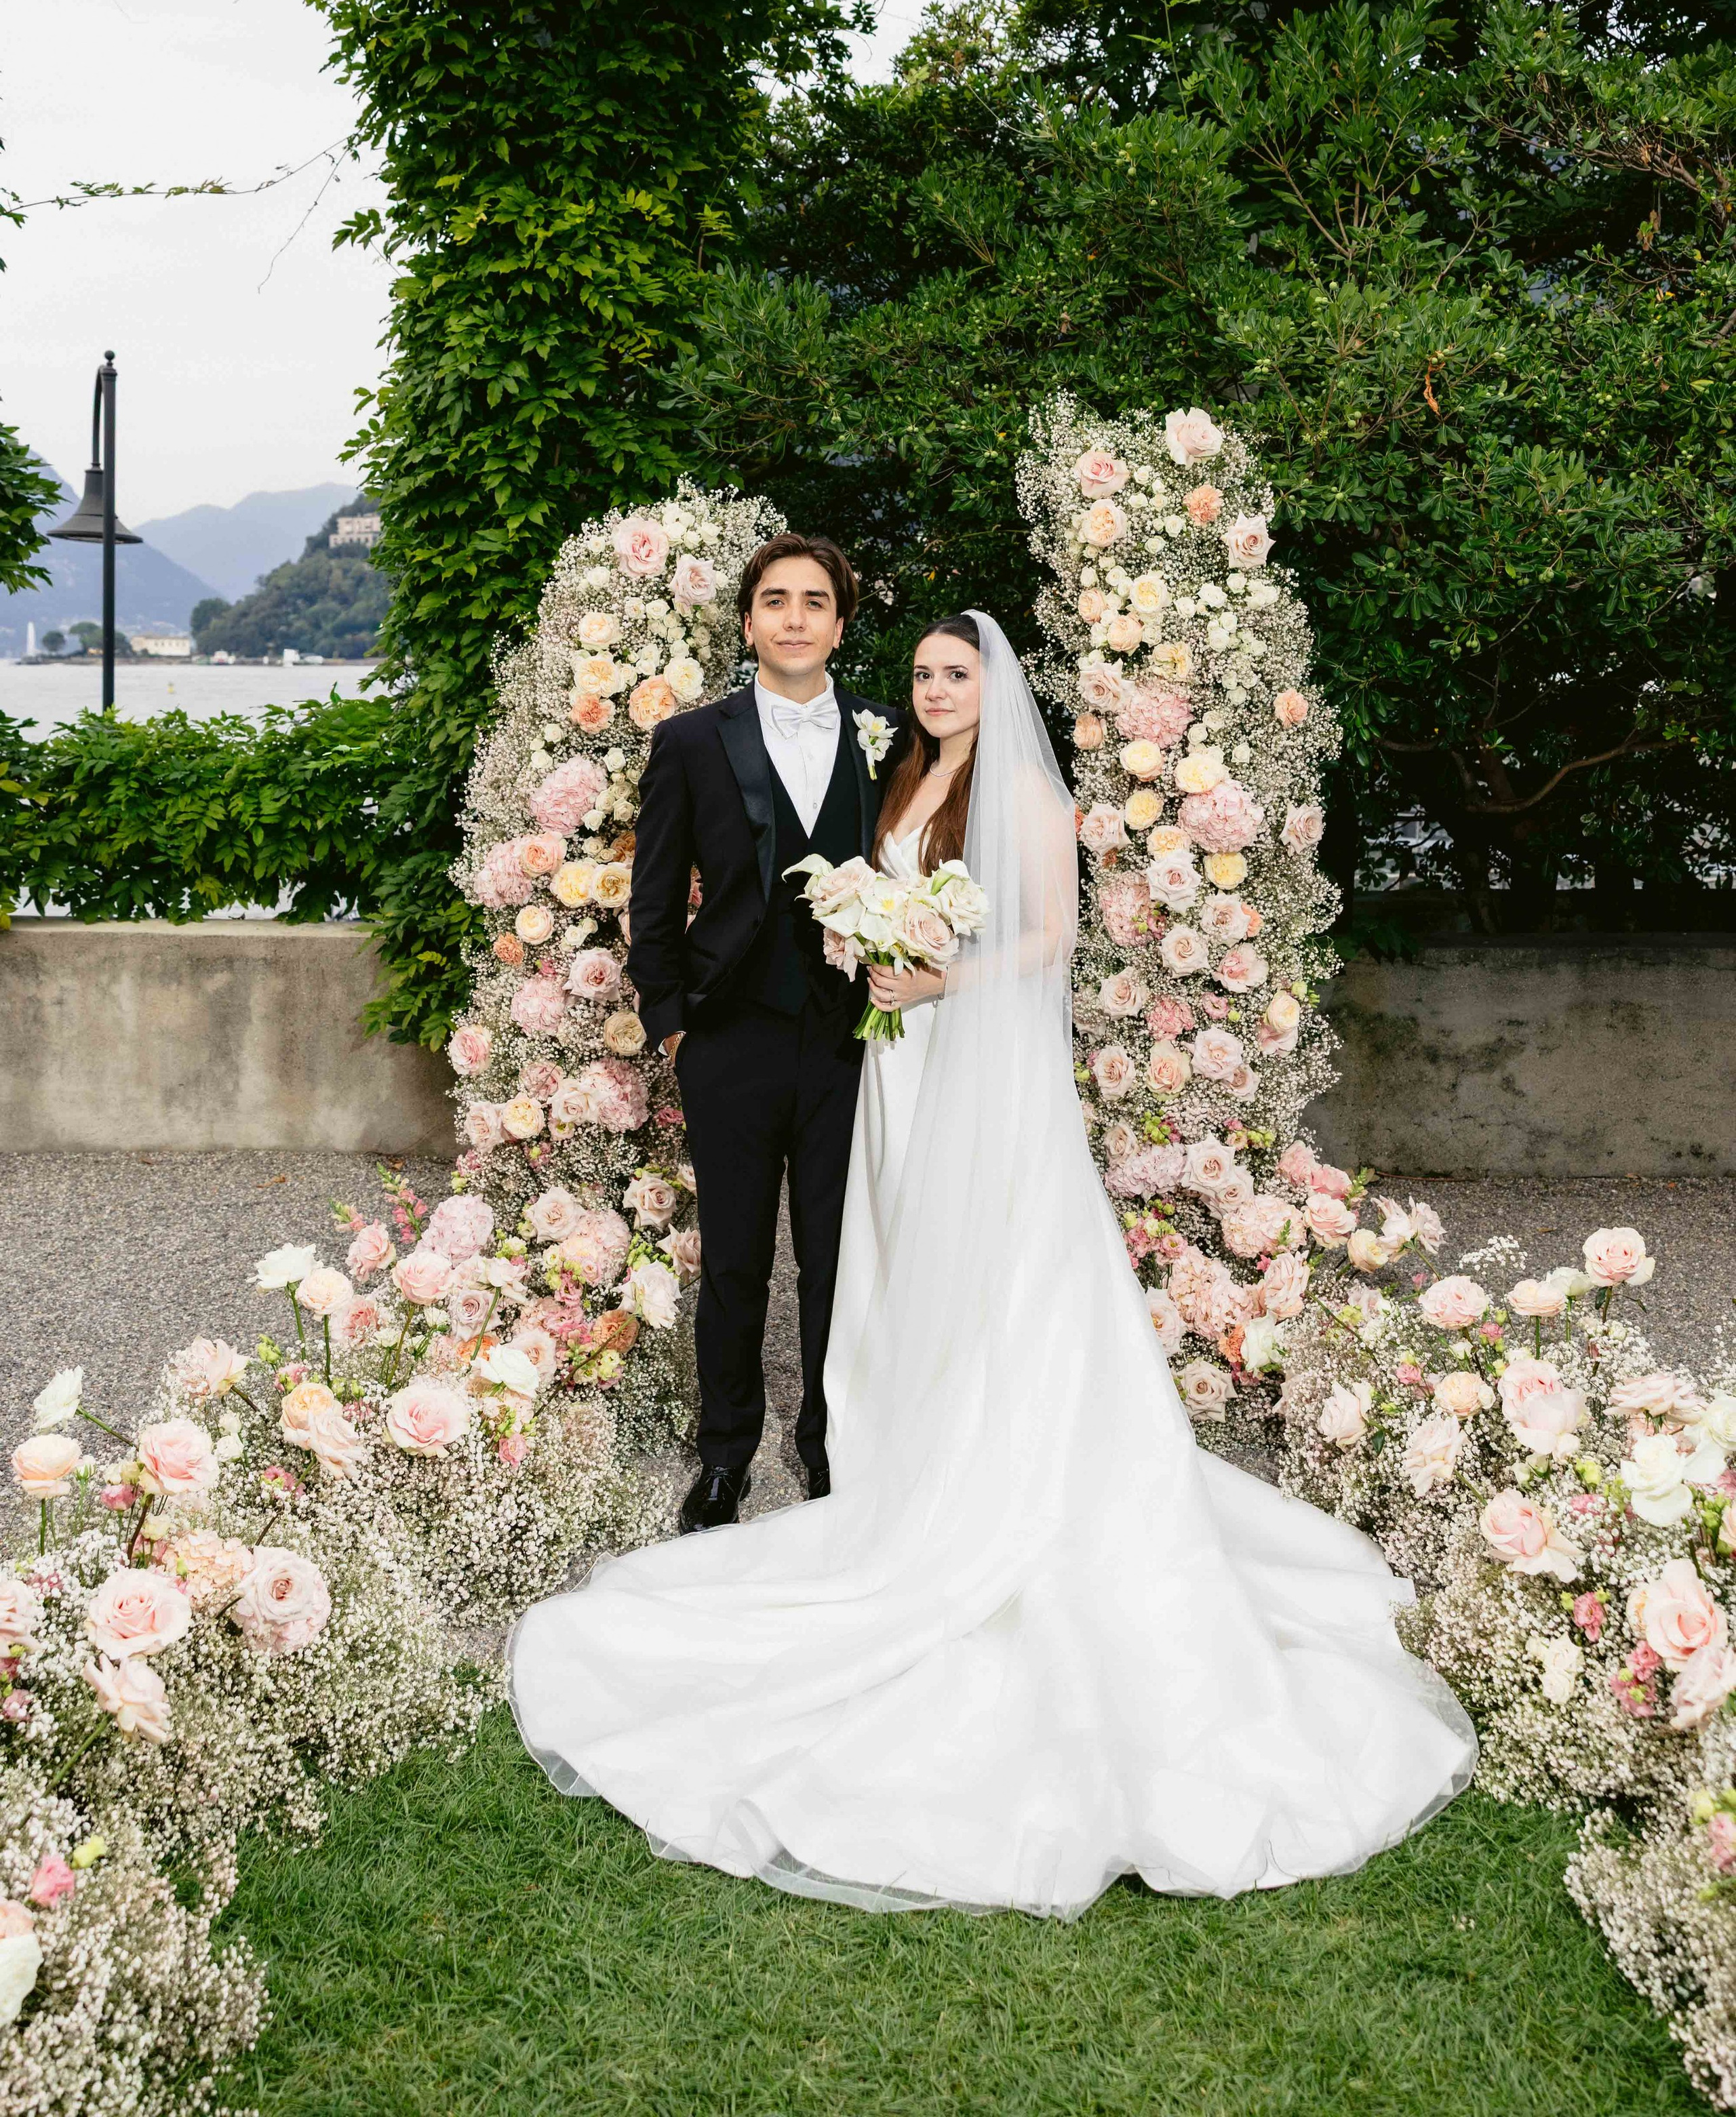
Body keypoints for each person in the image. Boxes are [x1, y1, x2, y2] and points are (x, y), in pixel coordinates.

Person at [511, 611, 1476, 1916]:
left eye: (956, 673)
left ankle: (997, 1475)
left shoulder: (1019, 787)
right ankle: (896, 1453)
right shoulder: (899, 776)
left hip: (977, 1066)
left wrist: (935, 981)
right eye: (920, 674)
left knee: (1008, 1268)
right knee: (905, 1268)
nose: (936, 689)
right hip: (900, 1076)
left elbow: (1051, 940)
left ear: (994, 685)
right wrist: (866, 955)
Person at [625, 532, 896, 1533]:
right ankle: (725, 1459)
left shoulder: (887, 732)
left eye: (814, 601)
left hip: (851, 1040)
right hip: (729, 1039)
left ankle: (833, 1452)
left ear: (840, 621)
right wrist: (673, 1030)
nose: (793, 617)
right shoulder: (693, 741)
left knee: (838, 1259)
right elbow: (651, 901)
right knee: (735, 1260)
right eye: (774, 600)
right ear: (748, 622)